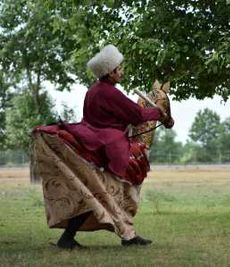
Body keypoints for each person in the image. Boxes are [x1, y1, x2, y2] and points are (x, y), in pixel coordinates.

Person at [32, 44, 173, 249]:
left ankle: (70, 238)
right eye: (120, 69)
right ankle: (128, 236)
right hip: (109, 144)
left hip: (92, 135)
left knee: (95, 195)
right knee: (115, 183)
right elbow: (137, 115)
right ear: (111, 72)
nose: (122, 72)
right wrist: (158, 112)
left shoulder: (93, 91)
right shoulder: (109, 93)